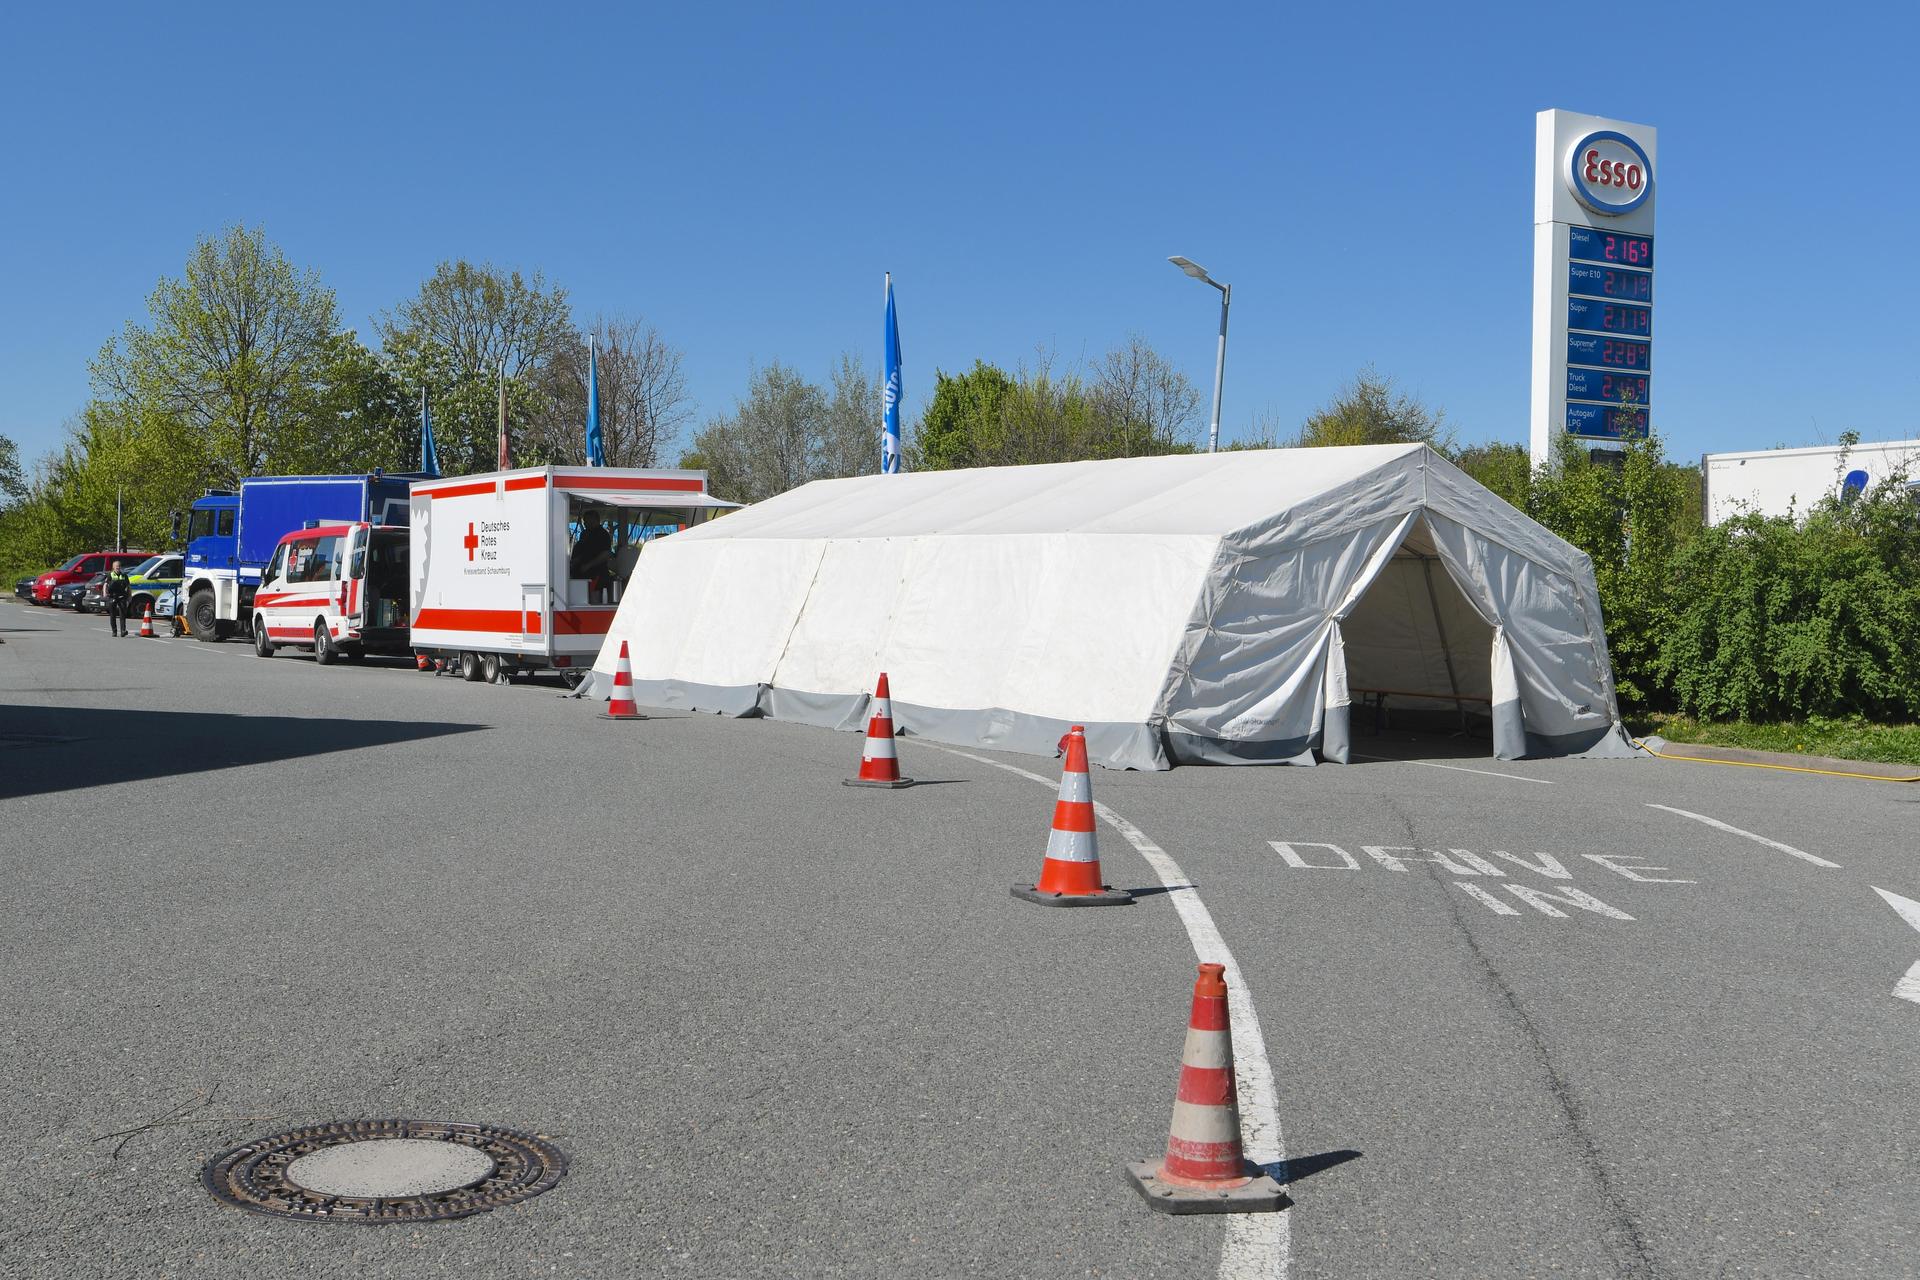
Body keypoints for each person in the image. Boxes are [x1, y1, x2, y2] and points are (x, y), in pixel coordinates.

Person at [570, 510, 613, 603]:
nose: (585, 523)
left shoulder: (602, 534)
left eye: (587, 520)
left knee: (594, 601)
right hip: (581, 576)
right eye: (584, 520)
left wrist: (588, 565)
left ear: (595, 520)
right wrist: (576, 561)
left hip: (597, 575)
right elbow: (584, 552)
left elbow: (606, 554)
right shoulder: (584, 534)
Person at [105, 565, 132, 636]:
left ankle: (123, 631)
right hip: (112, 596)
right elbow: (105, 584)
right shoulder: (110, 575)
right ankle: (114, 631)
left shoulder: (124, 576)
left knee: (122, 614)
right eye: (116, 567)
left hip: (122, 596)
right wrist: (105, 593)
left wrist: (130, 596)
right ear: (113, 568)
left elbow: (128, 586)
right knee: (112, 615)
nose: (118, 568)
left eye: (119, 567)